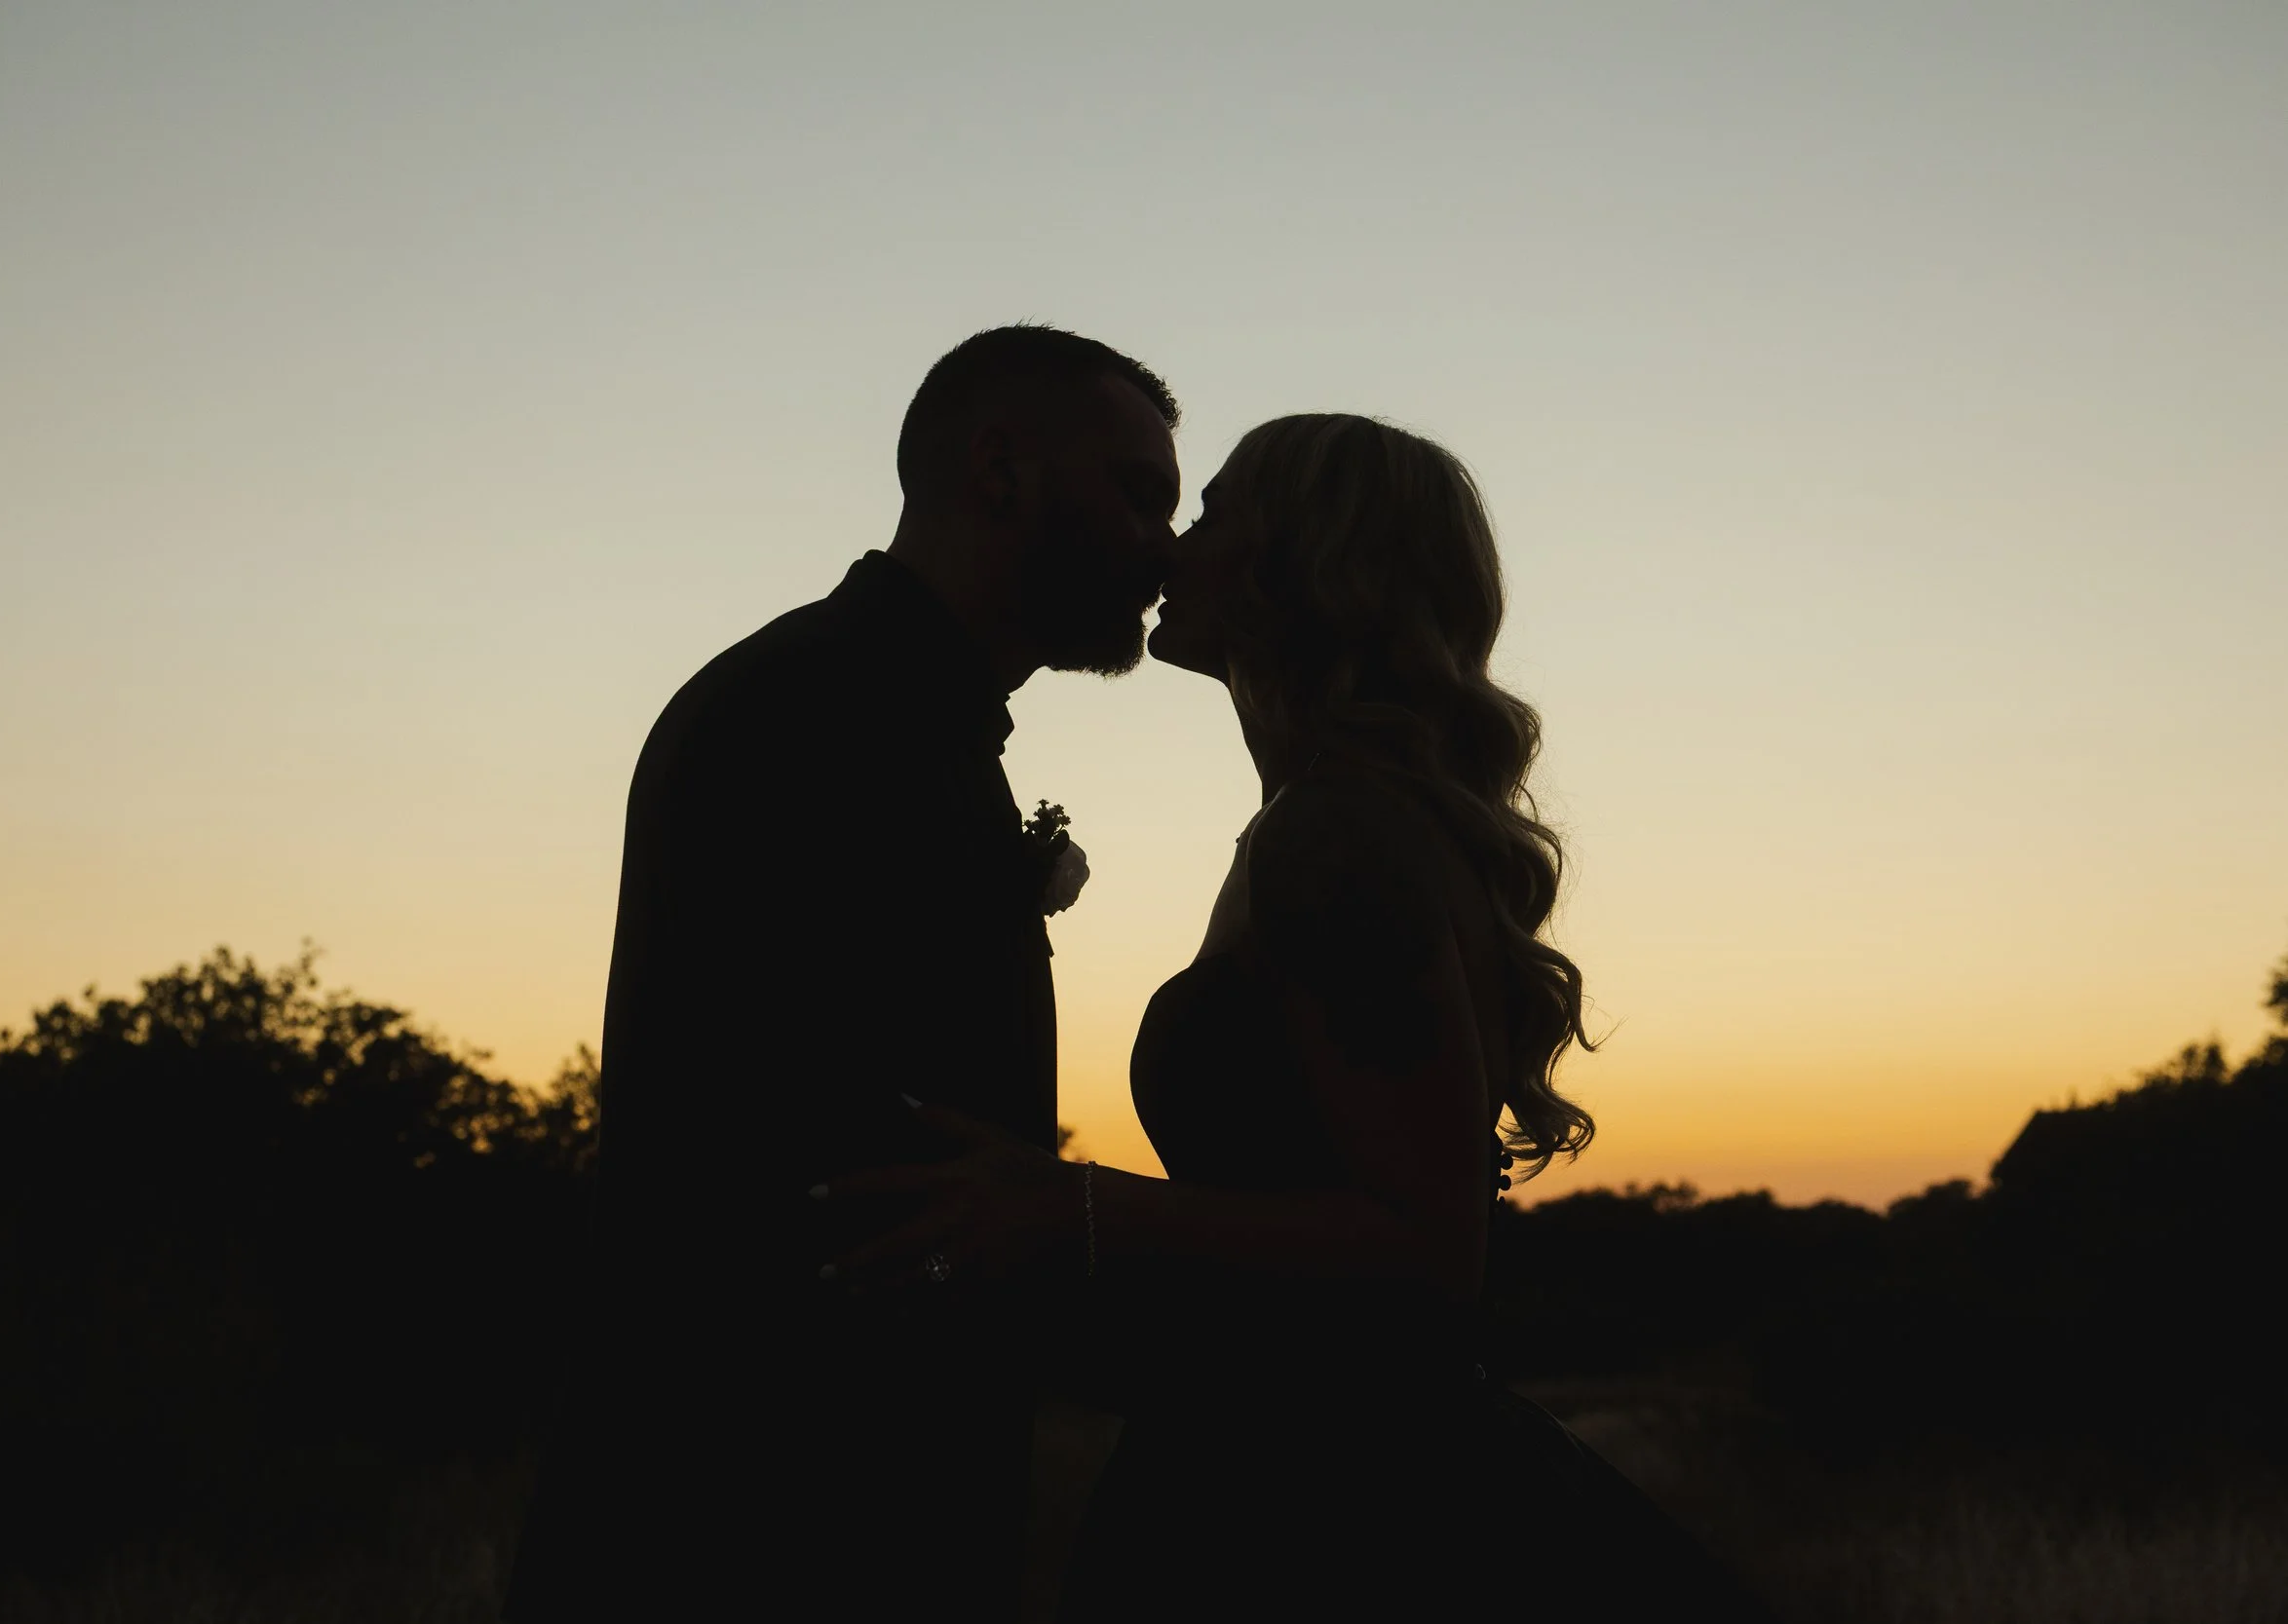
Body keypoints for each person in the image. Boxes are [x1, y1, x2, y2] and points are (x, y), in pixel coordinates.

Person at [823, 414, 1768, 1619]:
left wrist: (1069, 1207)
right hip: (1264, 1456)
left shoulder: (1342, 837)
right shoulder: (1326, 820)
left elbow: (1423, 1252)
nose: (1169, 548)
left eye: (1212, 512)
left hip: (1329, 1511)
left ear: (1312, 560)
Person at [502, 325, 1181, 1622]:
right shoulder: (805, 717)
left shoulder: (895, 717)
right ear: (1000, 469)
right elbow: (821, 1185)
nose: (1169, 546)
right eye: (1140, 492)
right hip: (744, 1537)